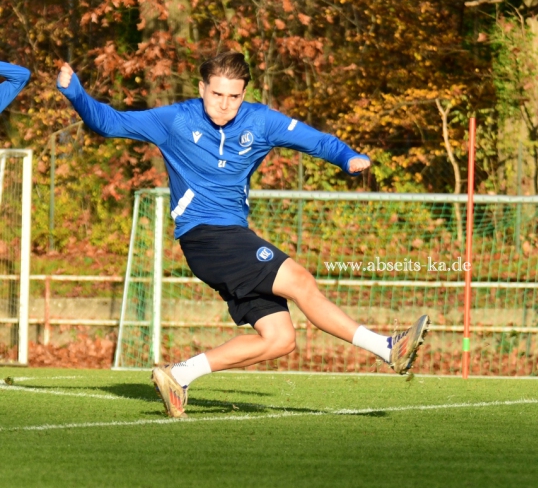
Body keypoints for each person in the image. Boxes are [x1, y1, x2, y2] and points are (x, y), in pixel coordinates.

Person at [57, 52, 429, 418]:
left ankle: (179, 375)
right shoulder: (175, 120)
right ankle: (387, 348)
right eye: (216, 94)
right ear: (202, 88)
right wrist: (75, 93)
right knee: (299, 280)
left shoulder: (260, 121)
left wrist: (346, 157)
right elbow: (109, 122)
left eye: (234, 96)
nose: (224, 104)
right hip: (205, 237)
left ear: (244, 93)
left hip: (233, 236)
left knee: (280, 339)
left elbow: (316, 140)